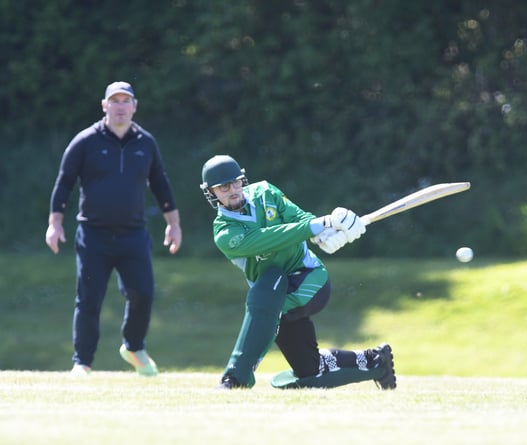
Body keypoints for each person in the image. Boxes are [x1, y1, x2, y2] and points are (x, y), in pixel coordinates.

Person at [199, 154, 396, 390]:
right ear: (211, 192)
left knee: (269, 311)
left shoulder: (265, 192)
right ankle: (375, 361)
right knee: (308, 372)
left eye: (236, 182)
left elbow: (299, 217)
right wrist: (320, 224)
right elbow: (271, 238)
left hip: (309, 278)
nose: (232, 190)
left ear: (243, 179)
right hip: (271, 295)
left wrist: (325, 234)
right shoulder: (225, 232)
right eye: (223, 187)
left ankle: (235, 379)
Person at [45, 81, 182, 376]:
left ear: (134, 106)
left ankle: (134, 347)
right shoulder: (86, 141)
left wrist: (174, 224)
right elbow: (64, 182)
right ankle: (82, 362)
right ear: (104, 105)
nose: (120, 107)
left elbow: (160, 183)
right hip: (93, 235)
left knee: (143, 292)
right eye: (114, 101)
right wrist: (54, 224)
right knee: (89, 298)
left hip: (133, 234)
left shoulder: (146, 142)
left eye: (126, 101)